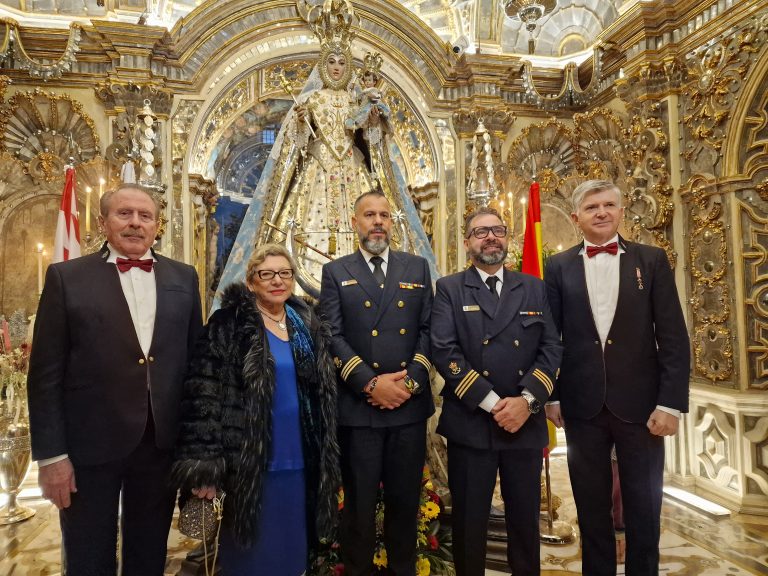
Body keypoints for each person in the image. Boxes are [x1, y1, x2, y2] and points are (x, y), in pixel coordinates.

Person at [26, 183, 203, 575]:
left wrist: (198, 451)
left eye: (145, 216)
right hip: (88, 449)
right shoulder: (66, 278)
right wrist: (52, 457)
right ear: (104, 222)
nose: (135, 223)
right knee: (88, 556)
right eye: (125, 214)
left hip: (159, 447)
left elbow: (195, 371)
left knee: (149, 554)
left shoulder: (184, 278)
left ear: (157, 225)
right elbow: (45, 377)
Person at [215, 0, 436, 300]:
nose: (336, 67)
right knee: (303, 226)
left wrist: (372, 120)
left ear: (348, 67)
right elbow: (296, 146)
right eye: (331, 61)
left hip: (353, 172)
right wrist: (303, 123)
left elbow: (372, 143)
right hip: (317, 172)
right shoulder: (312, 99)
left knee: (367, 219)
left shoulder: (357, 100)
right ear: (323, 64)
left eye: (342, 62)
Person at [544, 179, 690, 576]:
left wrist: (670, 403)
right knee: (591, 510)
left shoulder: (652, 260)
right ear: (576, 218)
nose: (602, 213)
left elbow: (673, 336)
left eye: (609, 205)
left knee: (644, 510)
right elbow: (549, 337)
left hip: (643, 408)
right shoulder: (557, 267)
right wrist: (553, 396)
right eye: (592, 207)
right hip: (582, 407)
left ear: (622, 212)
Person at [172, 243, 340, 576]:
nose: (277, 281)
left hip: (300, 459)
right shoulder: (229, 324)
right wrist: (205, 468)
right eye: (267, 274)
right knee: (251, 556)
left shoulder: (306, 322)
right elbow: (202, 396)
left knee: (292, 554)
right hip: (248, 464)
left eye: (285, 273)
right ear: (251, 282)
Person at [431, 206, 562, 576]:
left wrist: (526, 402)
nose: (491, 237)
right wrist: (493, 403)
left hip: (524, 423)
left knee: (524, 524)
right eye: (480, 232)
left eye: (498, 230)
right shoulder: (450, 288)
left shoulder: (534, 287)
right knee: (470, 526)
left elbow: (552, 348)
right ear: (468, 242)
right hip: (472, 422)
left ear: (507, 237)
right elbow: (444, 350)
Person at [320, 191, 434, 576]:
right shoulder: (337, 271)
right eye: (370, 215)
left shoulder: (416, 268)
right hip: (359, 410)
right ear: (356, 222)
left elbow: (428, 330)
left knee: (405, 507)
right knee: (359, 511)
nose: (378, 222)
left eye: (384, 215)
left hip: (408, 408)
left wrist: (410, 385)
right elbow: (331, 335)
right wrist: (370, 384)